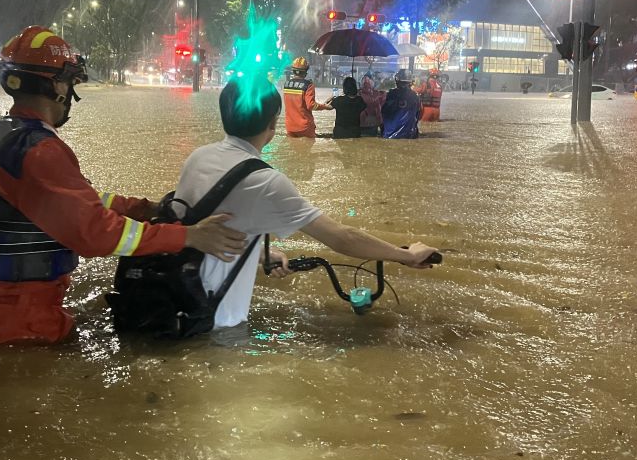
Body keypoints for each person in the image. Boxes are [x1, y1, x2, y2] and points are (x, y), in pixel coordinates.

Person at [0, 26, 245, 344]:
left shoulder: (1, 135)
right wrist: (189, 236)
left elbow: (78, 203)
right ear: (55, 85)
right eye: (69, 81)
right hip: (21, 322)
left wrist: (144, 209)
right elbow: (95, 232)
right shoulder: (39, 151)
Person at [171, 78, 441, 329]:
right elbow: (341, 238)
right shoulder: (265, 180)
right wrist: (407, 255)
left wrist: (259, 254)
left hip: (177, 300)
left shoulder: (198, 157)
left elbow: (201, 230)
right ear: (272, 125)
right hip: (215, 320)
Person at [282, 56, 332, 138]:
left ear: (293, 71)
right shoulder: (308, 85)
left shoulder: (286, 84)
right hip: (304, 127)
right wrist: (325, 106)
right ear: (305, 72)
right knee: (307, 148)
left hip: (290, 126)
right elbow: (311, 105)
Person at [381, 69, 422, 139]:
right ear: (410, 82)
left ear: (397, 81)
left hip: (390, 135)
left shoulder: (390, 94)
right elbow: (418, 116)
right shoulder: (415, 96)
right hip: (410, 135)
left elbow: (383, 112)